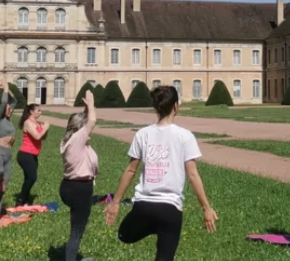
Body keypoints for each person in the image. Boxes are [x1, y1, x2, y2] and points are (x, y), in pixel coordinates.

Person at [105, 85, 217, 261]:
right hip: (170, 210)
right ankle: (157, 227)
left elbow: (130, 170)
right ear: (176, 106)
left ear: (155, 108)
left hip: (144, 207)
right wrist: (206, 208)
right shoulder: (185, 136)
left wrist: (116, 203)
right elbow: (193, 175)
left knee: (123, 235)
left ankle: (153, 226)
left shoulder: (143, 134)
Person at [60, 90, 99, 261]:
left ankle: (72, 256)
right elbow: (92, 120)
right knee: (77, 231)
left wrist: (85, 107)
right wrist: (91, 104)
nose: (91, 130)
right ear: (80, 128)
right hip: (79, 189)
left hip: (71, 186)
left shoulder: (70, 140)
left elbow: (87, 121)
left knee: (77, 228)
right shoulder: (77, 140)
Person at [0, 77, 17, 221]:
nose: (10, 109)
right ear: (1, 108)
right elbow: (5, 102)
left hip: (8, 156)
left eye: (11, 109)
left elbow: (14, 102)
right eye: (7, 108)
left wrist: (9, 90)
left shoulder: (8, 120)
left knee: (2, 190)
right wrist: (5, 88)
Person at [16, 103, 50, 206]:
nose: (40, 112)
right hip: (25, 154)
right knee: (32, 178)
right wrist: (45, 128)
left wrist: (45, 129)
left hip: (33, 155)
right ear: (31, 111)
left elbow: (42, 137)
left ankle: (25, 200)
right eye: (38, 110)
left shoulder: (37, 123)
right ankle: (20, 200)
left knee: (28, 178)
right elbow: (37, 136)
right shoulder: (28, 122)